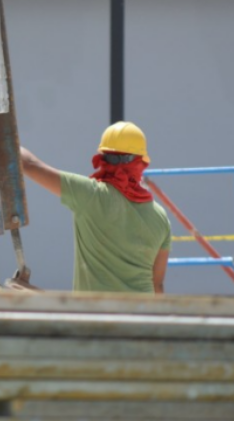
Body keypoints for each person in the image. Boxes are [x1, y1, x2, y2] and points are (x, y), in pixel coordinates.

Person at [19, 120, 171, 294]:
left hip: (96, 316)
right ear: (141, 162)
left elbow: (28, 164)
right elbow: (157, 284)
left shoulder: (89, 195)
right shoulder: (161, 217)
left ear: (103, 158)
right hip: (140, 315)